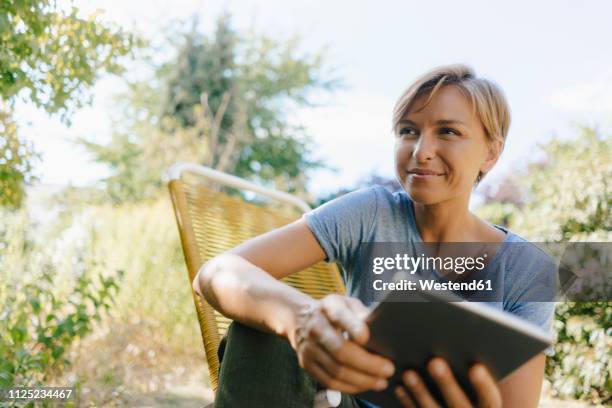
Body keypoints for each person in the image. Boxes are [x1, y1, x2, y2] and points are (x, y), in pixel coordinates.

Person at [193, 64, 556, 407]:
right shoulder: (371, 213)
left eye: (448, 131)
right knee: (261, 328)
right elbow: (216, 272)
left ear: (491, 152)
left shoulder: (528, 269)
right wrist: (299, 318)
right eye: (408, 131)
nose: (421, 151)